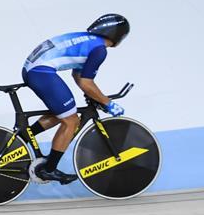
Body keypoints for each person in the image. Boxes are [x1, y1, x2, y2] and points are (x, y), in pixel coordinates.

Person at [21, 13, 130, 184]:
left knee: (63, 113)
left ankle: (22, 138)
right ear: (118, 36)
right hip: (41, 72)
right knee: (71, 121)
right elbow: (86, 83)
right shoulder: (99, 49)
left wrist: (97, 97)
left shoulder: (89, 40)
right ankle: (49, 170)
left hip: (35, 70)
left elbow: (78, 76)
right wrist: (108, 103)